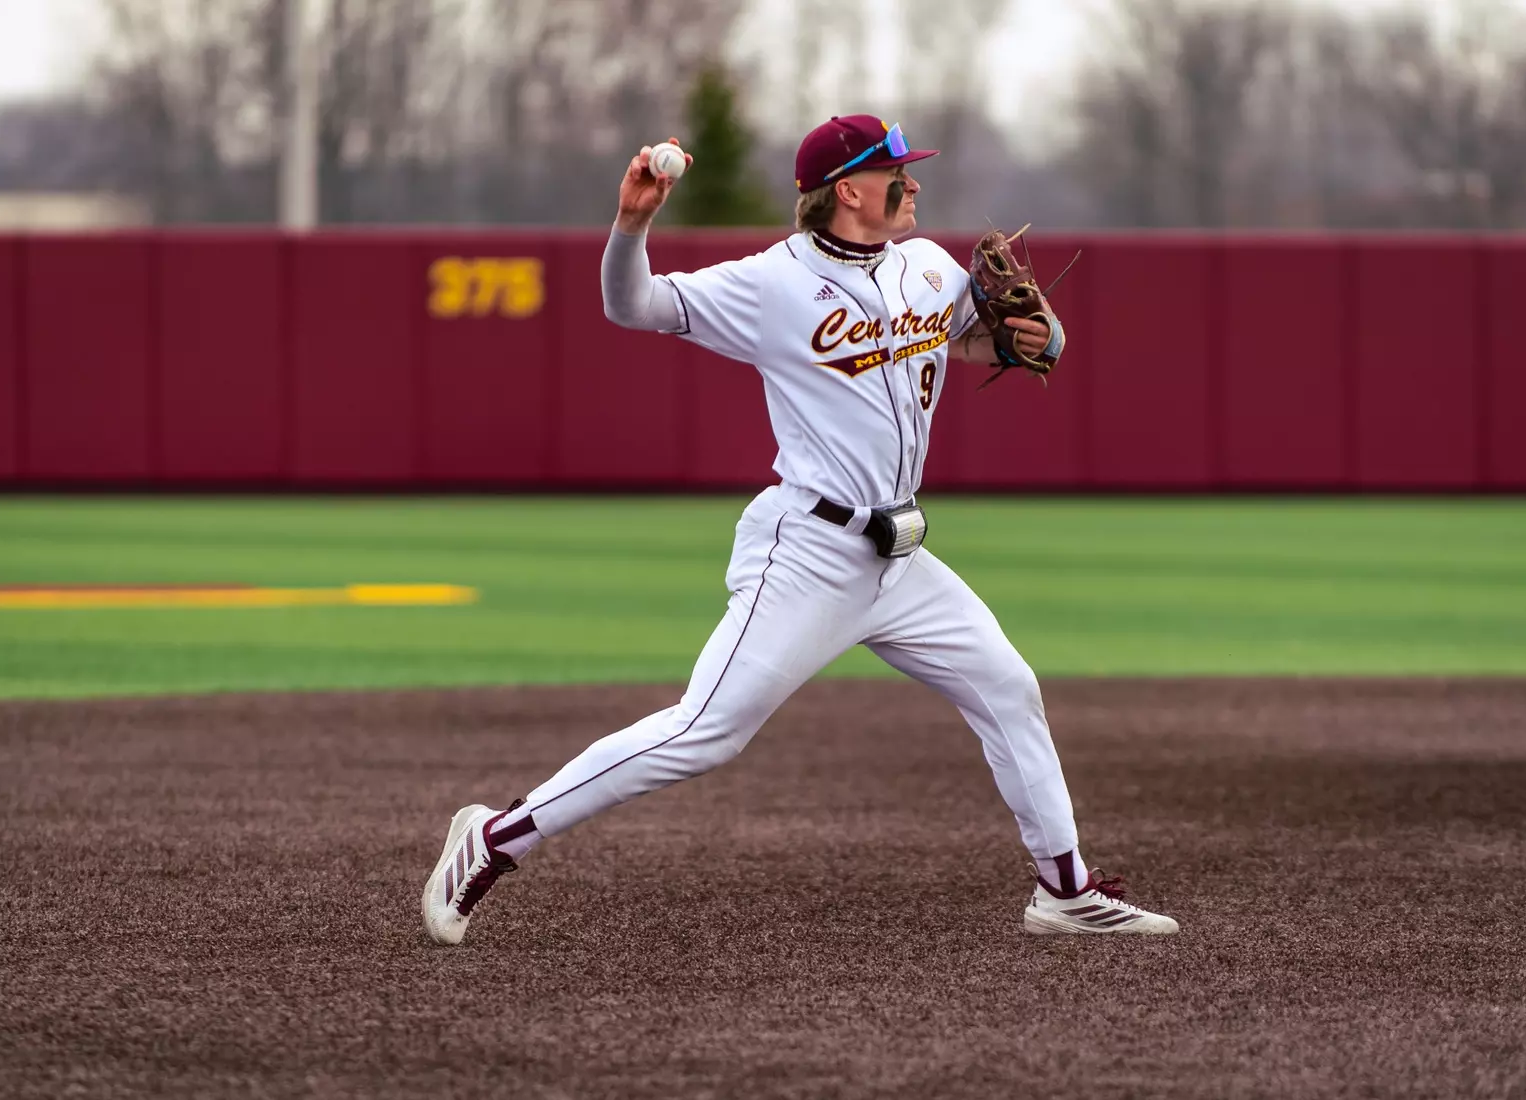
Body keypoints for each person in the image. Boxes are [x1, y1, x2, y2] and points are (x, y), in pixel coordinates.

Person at [422, 115, 1179, 944]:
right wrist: (633, 223)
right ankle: (494, 837)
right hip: (809, 552)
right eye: (898, 174)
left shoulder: (928, 267)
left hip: (901, 558)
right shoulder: (769, 284)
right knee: (704, 733)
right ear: (849, 190)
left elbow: (991, 343)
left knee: (1009, 688)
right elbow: (631, 305)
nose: (914, 185)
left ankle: (1063, 891)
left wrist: (1045, 335)